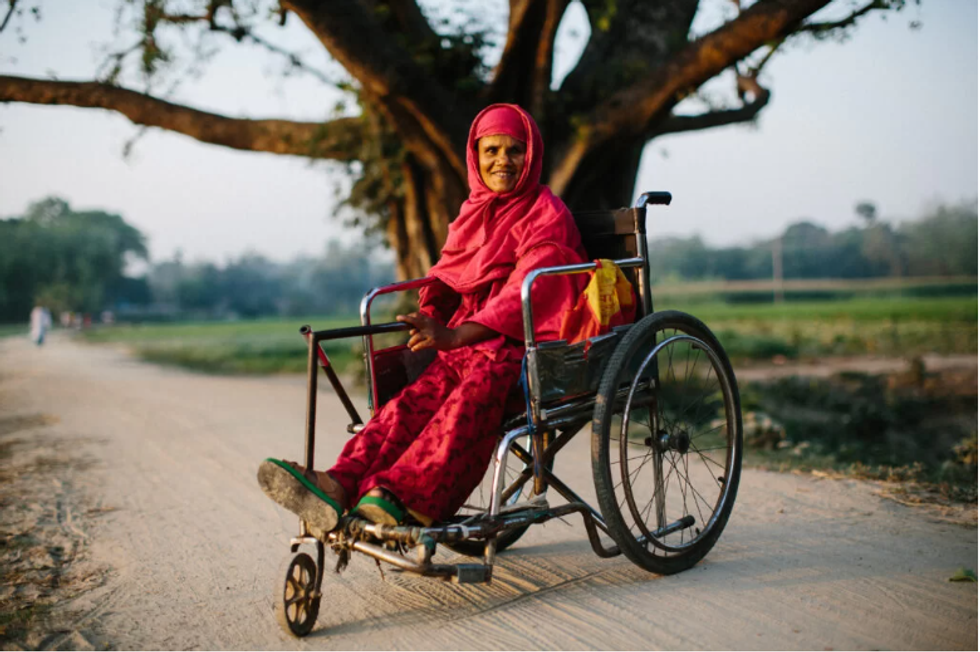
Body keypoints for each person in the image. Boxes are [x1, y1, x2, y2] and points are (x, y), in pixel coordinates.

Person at [258, 104, 587, 537]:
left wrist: (455, 335)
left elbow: (524, 294)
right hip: (464, 348)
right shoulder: (472, 212)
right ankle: (339, 483)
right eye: (491, 150)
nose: (502, 161)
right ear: (475, 156)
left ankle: (399, 496)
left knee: (463, 404)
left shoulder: (547, 213)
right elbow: (447, 277)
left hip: (519, 347)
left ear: (532, 156)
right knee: (404, 408)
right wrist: (430, 317)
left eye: (514, 150)